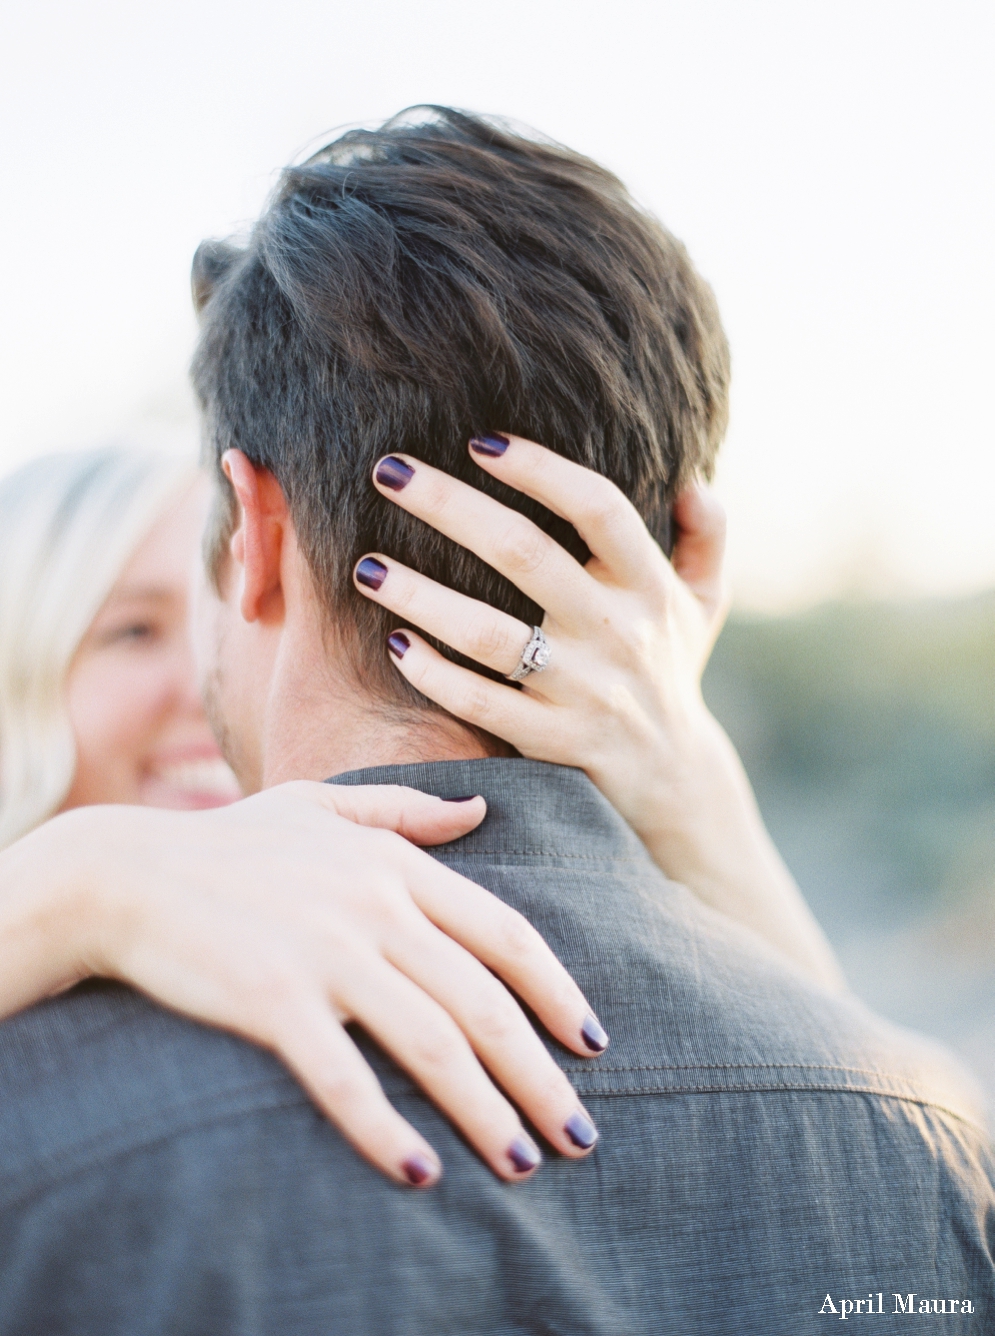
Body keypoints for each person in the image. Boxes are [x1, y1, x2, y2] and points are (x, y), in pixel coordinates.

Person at [1, 107, 991, 1333]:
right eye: (119, 629)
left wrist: (692, 788)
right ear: (678, 537)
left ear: (253, 536)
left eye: (176, 600)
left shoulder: (39, 1137)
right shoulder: (926, 1153)